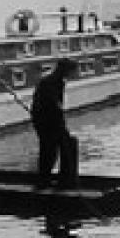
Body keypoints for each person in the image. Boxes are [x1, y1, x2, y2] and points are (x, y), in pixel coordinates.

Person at [31, 58, 79, 189]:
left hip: (46, 120)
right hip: (47, 122)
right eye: (72, 71)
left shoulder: (55, 81)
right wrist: (61, 126)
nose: (73, 74)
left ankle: (47, 179)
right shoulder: (51, 82)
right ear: (66, 70)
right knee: (50, 150)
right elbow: (54, 105)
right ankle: (48, 181)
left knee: (52, 149)